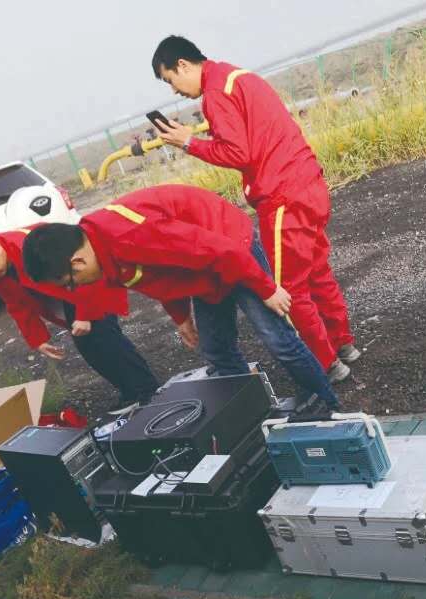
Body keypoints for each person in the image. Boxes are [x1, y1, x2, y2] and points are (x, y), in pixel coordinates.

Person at [20, 184, 339, 413]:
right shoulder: (102, 249)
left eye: (69, 284)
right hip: (203, 264)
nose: (74, 291)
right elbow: (163, 275)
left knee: (276, 337)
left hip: (230, 243)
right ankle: (255, 409)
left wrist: (266, 289)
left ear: (77, 262)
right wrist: (182, 318)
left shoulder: (131, 236)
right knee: (216, 349)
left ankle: (326, 405)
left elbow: (220, 251)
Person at [150, 36, 358, 383]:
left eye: (171, 80)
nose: (174, 90)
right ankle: (343, 344)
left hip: (282, 196)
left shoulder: (216, 93)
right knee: (317, 272)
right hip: (308, 182)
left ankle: (327, 365)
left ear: (183, 65)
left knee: (288, 288)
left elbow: (238, 153)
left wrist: (188, 142)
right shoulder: (239, 76)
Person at [0, 225, 159, 411]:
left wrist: (85, 315)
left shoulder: (30, 246)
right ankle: (130, 393)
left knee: (107, 338)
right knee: (89, 348)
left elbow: (84, 270)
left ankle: (149, 390)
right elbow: (17, 304)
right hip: (68, 295)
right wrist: (38, 339)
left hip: (88, 283)